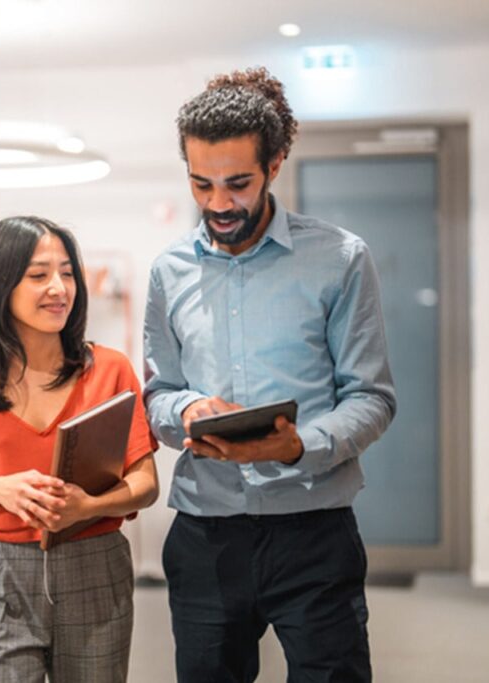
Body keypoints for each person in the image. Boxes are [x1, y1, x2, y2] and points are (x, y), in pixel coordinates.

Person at [143, 67, 397, 683]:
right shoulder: (168, 270)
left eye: (238, 183)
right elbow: (157, 393)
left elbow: (372, 396)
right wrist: (186, 412)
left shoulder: (340, 259)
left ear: (276, 163)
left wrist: (300, 445)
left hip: (313, 531)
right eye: (201, 183)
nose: (219, 204)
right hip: (205, 535)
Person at [0, 215, 159, 682]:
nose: (59, 288)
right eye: (38, 275)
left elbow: (145, 484)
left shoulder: (109, 371)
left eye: (67, 273)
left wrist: (90, 505)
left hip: (95, 564)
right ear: (0, 285)